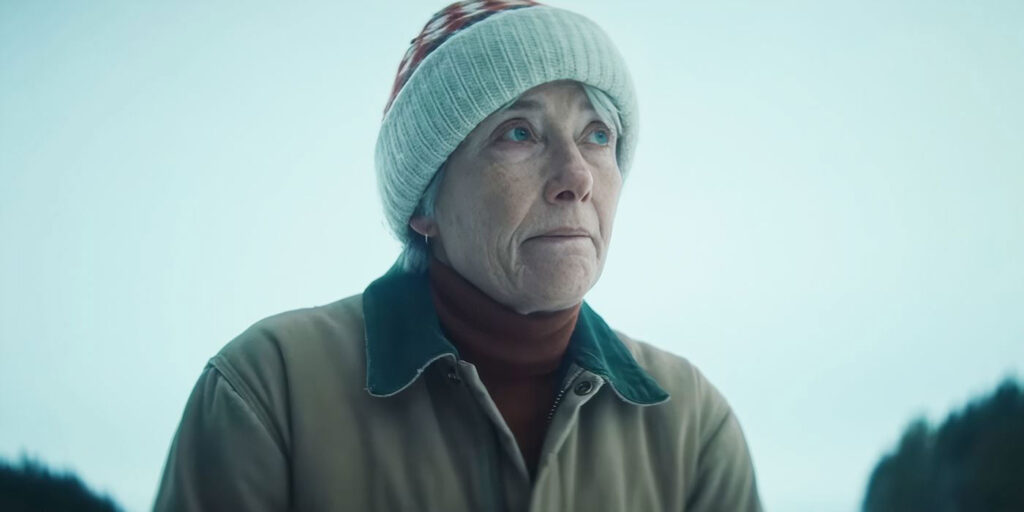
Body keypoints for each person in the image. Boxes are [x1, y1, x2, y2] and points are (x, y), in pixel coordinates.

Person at [154, 1, 762, 510]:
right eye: (518, 132)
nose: (575, 176)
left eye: (597, 134)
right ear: (427, 204)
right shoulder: (268, 391)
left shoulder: (689, 425)